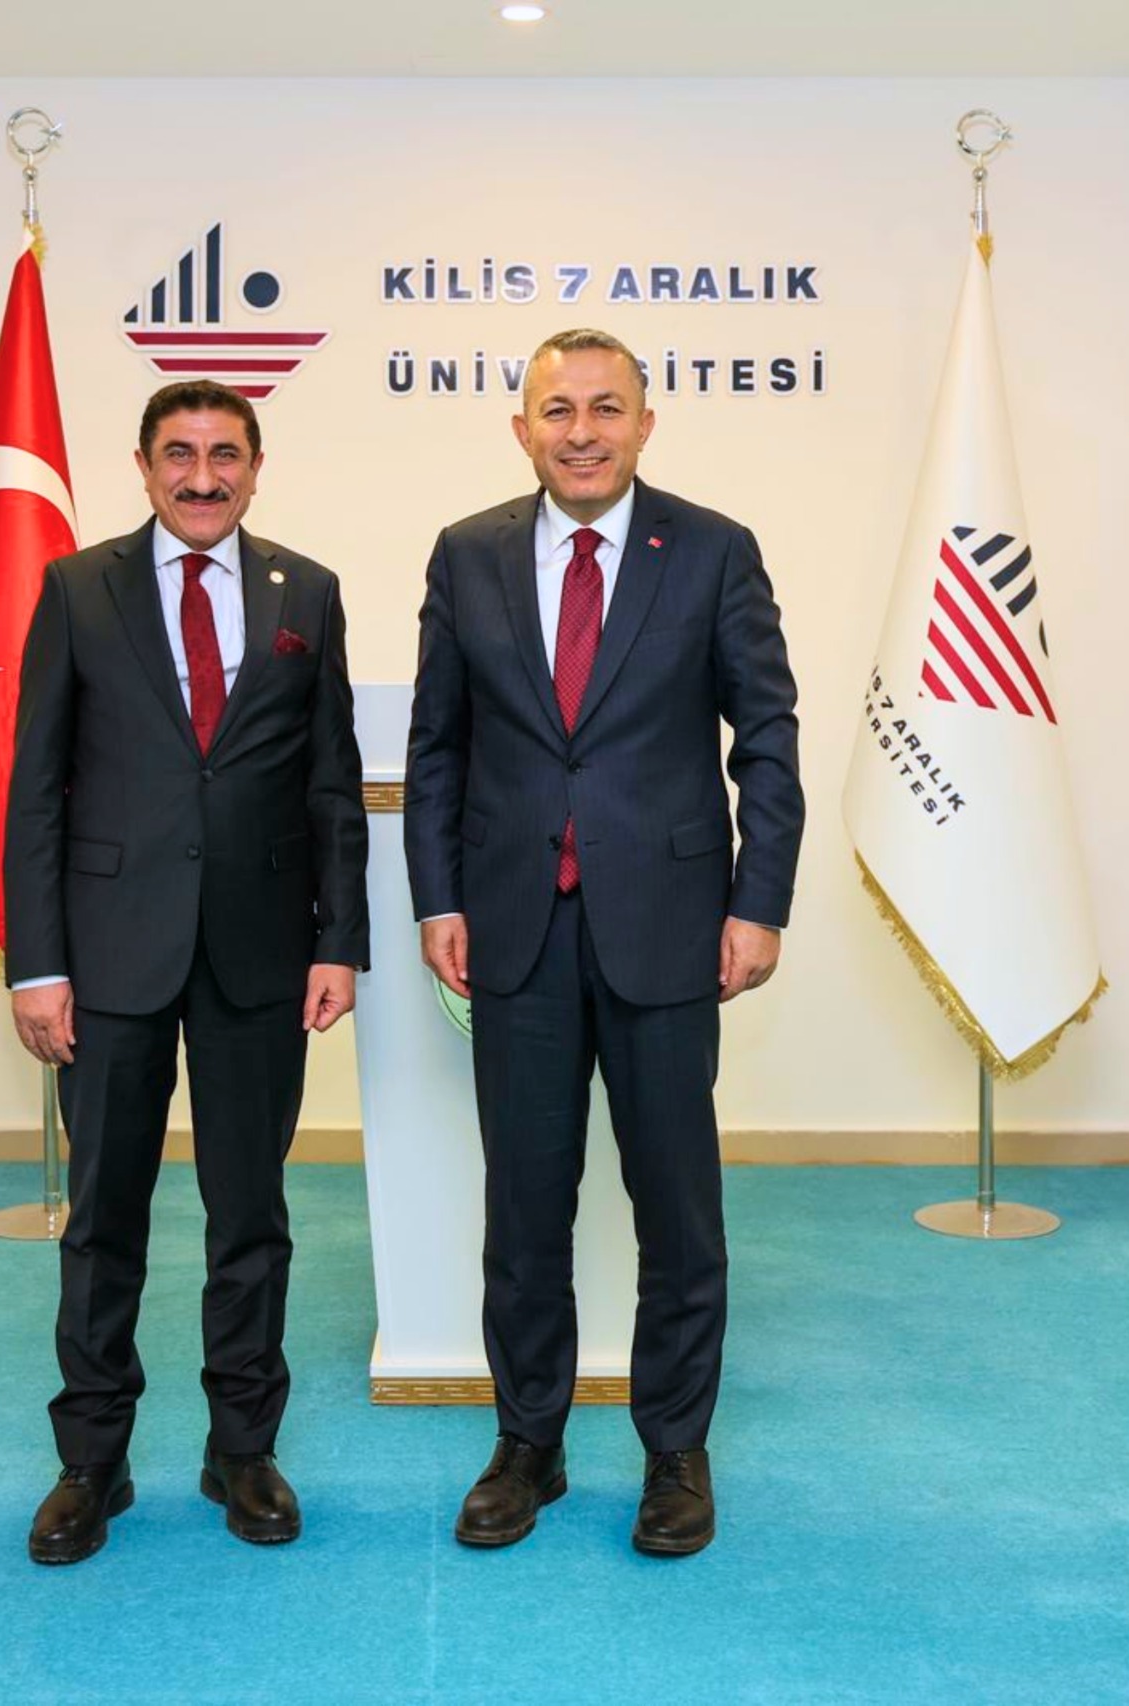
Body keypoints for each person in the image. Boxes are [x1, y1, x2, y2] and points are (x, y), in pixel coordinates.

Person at [403, 329, 804, 1557]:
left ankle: (675, 1450)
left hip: (669, 931)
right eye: (558, 410)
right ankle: (528, 1441)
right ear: (520, 428)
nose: (582, 431)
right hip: (514, 929)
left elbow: (767, 737)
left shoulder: (714, 549)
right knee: (524, 1206)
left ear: (645, 421)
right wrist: (436, 898)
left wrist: (758, 901)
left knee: (677, 1209)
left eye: (606, 408)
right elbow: (437, 745)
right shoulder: (466, 553)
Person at [3, 379, 367, 1566]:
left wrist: (337, 938)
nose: (201, 475)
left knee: (250, 1214)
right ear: (143, 466)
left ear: (256, 467)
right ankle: (90, 1461)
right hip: (107, 954)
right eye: (178, 453)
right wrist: (37, 962)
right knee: (103, 1216)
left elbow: (330, 783)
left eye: (224, 454)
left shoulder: (306, 591)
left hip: (261, 954)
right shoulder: (77, 588)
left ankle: (242, 1448)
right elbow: (34, 788)